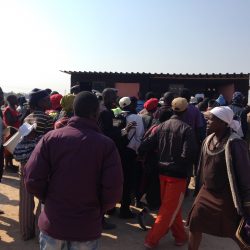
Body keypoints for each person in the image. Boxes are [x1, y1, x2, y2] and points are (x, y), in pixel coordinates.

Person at [24, 91, 123, 250]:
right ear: (96, 113)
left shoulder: (50, 138)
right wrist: (97, 210)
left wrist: (49, 199)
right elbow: (113, 191)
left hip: (53, 223)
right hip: (86, 228)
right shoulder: (106, 145)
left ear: (74, 110)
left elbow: (32, 180)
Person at [187, 106, 250, 250]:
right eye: (207, 119)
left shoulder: (235, 143)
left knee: (234, 231)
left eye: (211, 120)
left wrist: (247, 202)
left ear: (223, 122)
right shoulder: (208, 139)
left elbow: (245, 175)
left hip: (226, 195)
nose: (207, 122)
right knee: (194, 223)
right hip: (206, 192)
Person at [138, 97, 197, 249]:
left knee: (170, 208)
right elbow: (188, 154)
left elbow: (144, 145)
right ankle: (151, 240)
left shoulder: (161, 126)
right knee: (168, 210)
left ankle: (180, 237)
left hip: (162, 172)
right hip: (176, 176)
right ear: (185, 111)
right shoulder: (187, 129)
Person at [17, 88, 53, 240]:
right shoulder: (47, 119)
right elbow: (51, 143)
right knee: (43, 198)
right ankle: (40, 233)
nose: (49, 100)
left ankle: (26, 232)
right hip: (41, 163)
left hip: (24, 162)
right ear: (39, 102)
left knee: (25, 199)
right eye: (46, 99)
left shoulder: (27, 118)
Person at [3, 95, 21, 172]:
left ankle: (11, 164)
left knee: (11, 150)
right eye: (15, 99)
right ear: (11, 100)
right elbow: (10, 121)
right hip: (10, 131)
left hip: (15, 131)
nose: (17, 100)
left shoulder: (14, 108)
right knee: (8, 150)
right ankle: (7, 166)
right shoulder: (7, 110)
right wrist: (20, 115)